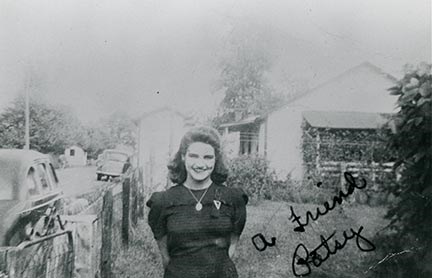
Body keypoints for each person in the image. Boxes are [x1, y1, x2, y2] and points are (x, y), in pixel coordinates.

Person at [146, 126, 248, 278]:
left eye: (208, 157)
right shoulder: (162, 202)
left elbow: (231, 246)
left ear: (216, 159)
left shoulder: (233, 199)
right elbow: (165, 257)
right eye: (193, 156)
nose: (200, 164)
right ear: (183, 157)